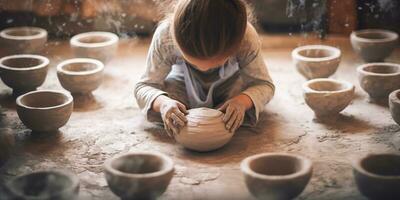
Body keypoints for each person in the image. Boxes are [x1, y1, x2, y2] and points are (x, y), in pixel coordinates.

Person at [134, 0, 274, 137]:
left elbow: (264, 85)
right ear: (176, 40)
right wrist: (163, 104)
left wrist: (242, 101)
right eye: (193, 61)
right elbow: (144, 86)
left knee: (240, 102)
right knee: (167, 101)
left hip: (230, 84)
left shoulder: (246, 37)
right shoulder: (165, 35)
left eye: (216, 63)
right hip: (183, 82)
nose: (204, 69)